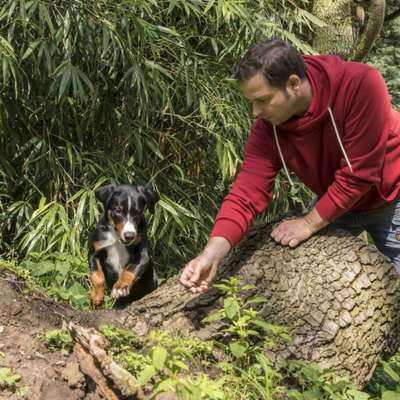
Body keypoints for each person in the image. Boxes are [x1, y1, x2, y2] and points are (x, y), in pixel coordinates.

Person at [180, 38, 400, 293]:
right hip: (335, 201)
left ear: (293, 84)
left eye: (262, 100)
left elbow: (359, 175)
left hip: (392, 197)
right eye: (251, 102)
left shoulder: (361, 83)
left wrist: (307, 224)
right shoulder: (267, 127)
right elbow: (246, 194)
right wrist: (211, 254)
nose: (255, 112)